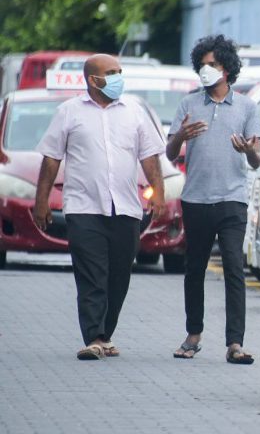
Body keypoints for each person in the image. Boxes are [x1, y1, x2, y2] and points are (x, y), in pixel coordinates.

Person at [34, 54, 167, 360]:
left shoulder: (134, 111)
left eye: (120, 71)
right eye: (111, 72)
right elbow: (51, 158)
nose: (118, 77)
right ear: (93, 80)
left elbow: (150, 156)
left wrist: (158, 193)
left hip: (126, 208)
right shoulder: (69, 112)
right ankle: (93, 337)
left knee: (119, 276)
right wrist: (41, 202)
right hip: (84, 207)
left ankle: (105, 335)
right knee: (92, 275)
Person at [167, 34, 260, 364]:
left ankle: (235, 342)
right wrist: (181, 136)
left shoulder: (247, 107)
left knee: (234, 268)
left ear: (227, 68)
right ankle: (193, 335)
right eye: (202, 65)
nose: (206, 70)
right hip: (195, 199)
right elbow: (170, 153)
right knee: (194, 269)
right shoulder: (189, 104)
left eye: (213, 64)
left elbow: (257, 160)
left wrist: (249, 150)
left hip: (232, 200)